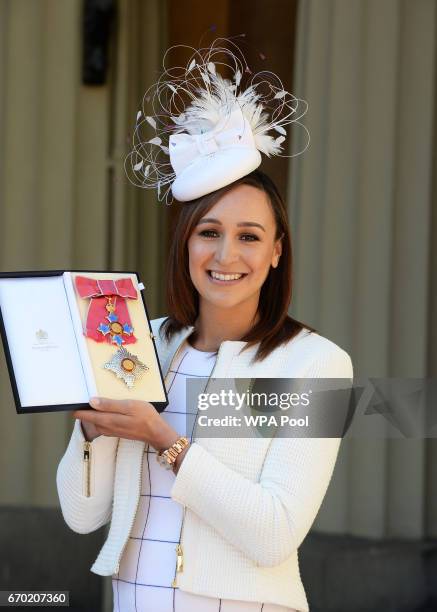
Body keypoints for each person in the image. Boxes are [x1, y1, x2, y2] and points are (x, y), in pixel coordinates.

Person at [56, 41, 353, 612]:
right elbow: (80, 515)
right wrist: (92, 432)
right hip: (133, 599)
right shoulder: (143, 342)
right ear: (185, 243)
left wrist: (165, 440)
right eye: (208, 232)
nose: (226, 255)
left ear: (275, 252)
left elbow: (275, 532)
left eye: (249, 236)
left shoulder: (315, 365)